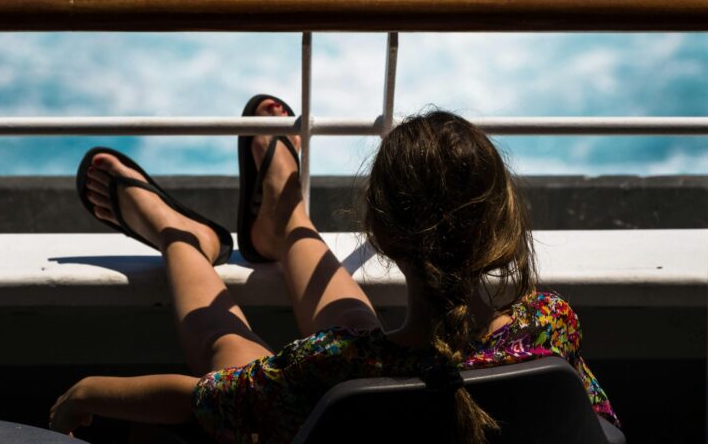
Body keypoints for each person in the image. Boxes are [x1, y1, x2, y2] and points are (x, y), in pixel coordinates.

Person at [50, 96, 619, 443]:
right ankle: (282, 216)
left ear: (383, 237)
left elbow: (205, 399)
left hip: (329, 377)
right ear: (506, 222)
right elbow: (601, 423)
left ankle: (182, 238)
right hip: (367, 360)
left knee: (233, 355)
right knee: (347, 330)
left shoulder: (340, 369)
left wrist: (86, 391)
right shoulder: (549, 326)